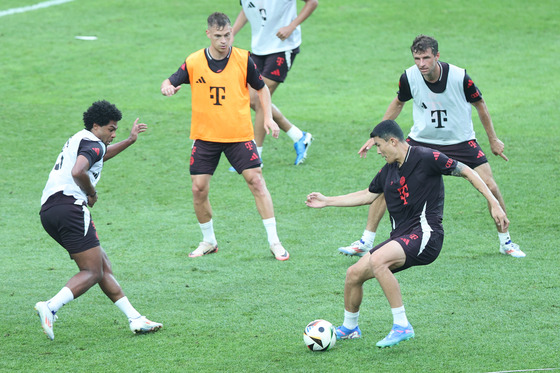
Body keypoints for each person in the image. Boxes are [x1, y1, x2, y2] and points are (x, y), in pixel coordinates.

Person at [306, 119, 509, 348]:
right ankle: (351, 327)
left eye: (379, 146)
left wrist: (493, 203)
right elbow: (367, 195)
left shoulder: (426, 157)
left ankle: (401, 325)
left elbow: (468, 172)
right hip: (401, 237)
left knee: (379, 260)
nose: (379, 151)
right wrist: (327, 201)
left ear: (392, 141)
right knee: (354, 274)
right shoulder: (388, 171)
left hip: (427, 234)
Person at [338, 34, 525, 258]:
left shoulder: (459, 77)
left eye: (426, 58)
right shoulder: (409, 77)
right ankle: (366, 241)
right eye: (417, 58)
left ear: (437, 56)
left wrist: (493, 139)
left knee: (491, 187)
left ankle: (506, 242)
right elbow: (399, 102)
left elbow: (480, 104)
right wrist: (377, 134)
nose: (421, 64)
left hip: (460, 140)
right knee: (388, 185)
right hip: (422, 140)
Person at [160, 12, 289, 261]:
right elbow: (171, 79)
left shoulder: (243, 59)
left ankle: (275, 241)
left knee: (257, 182)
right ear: (208, 34)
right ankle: (208, 240)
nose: (223, 41)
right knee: (198, 189)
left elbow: (262, 89)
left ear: (232, 32)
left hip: (238, 135)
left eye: (227, 35)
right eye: (218, 36)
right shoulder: (194, 61)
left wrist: (270, 118)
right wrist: (167, 87)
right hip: (205, 137)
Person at [35, 100, 162, 341]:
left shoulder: (82, 139)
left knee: (102, 264)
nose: (114, 134)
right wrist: (91, 193)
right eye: (111, 129)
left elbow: (99, 155)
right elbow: (78, 171)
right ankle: (50, 306)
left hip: (50, 211)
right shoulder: (93, 144)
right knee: (92, 271)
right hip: (71, 208)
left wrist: (130, 141)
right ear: (96, 126)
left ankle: (135, 319)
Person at [231, 0, 318, 166]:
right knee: (252, 99)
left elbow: (312, 2)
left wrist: (291, 26)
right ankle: (299, 136)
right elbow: (248, 9)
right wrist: (232, 33)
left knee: (260, 97)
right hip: (259, 48)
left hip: (282, 47)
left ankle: (255, 156)